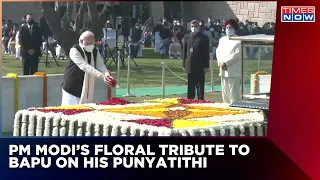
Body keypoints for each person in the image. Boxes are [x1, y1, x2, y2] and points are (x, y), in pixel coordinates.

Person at [61, 31, 114, 105]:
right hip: (72, 85)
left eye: (92, 43)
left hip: (86, 87)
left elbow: (100, 65)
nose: (90, 45)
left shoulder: (95, 51)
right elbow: (85, 66)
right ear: (81, 41)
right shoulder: (74, 50)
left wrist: (107, 75)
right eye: (87, 43)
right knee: (69, 111)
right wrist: (102, 76)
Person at [216, 19, 242, 104]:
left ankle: (235, 105)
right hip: (222, 69)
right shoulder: (222, 40)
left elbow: (237, 55)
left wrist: (226, 63)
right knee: (225, 90)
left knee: (233, 91)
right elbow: (218, 51)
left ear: (234, 28)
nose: (228, 29)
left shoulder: (238, 40)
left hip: (233, 69)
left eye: (230, 28)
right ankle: (226, 105)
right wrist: (220, 62)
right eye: (227, 27)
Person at [182, 20, 210, 100]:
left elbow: (206, 53)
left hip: (200, 65)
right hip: (189, 64)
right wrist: (184, 64)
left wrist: (206, 66)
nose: (193, 28)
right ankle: (190, 100)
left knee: (200, 85)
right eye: (192, 26)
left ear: (199, 27)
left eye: (195, 26)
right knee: (190, 84)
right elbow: (184, 52)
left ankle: (201, 100)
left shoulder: (204, 38)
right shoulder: (186, 37)